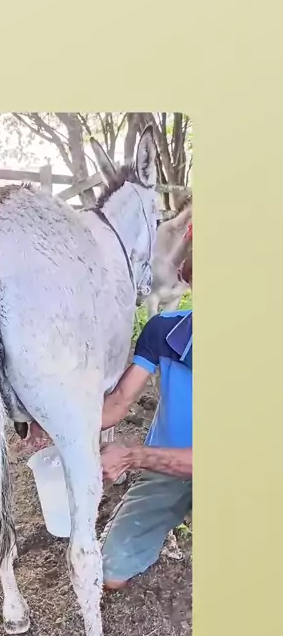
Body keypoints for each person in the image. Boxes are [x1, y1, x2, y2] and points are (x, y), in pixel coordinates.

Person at [99, 246, 192, 590]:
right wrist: (55, 424)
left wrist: (132, 456)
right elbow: (119, 401)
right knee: (109, 573)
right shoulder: (164, 330)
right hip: (165, 469)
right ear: (188, 276)